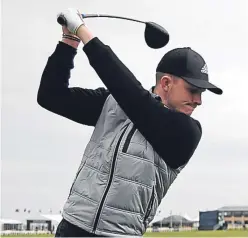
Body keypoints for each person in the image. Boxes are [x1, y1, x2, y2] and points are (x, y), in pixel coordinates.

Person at [37, 8, 223, 237]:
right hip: (71, 227)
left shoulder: (187, 131)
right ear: (166, 83)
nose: (199, 100)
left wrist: (84, 32)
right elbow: (50, 95)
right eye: (193, 90)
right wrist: (69, 40)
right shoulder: (113, 103)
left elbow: (133, 96)